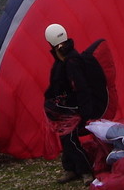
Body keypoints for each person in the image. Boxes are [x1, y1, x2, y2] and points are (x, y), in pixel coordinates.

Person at [44, 23, 95, 186]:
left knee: (70, 139)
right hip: (64, 107)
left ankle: (85, 171)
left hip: (74, 108)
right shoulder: (61, 60)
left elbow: (81, 87)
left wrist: (86, 112)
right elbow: (56, 84)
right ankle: (70, 168)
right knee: (65, 139)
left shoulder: (71, 60)